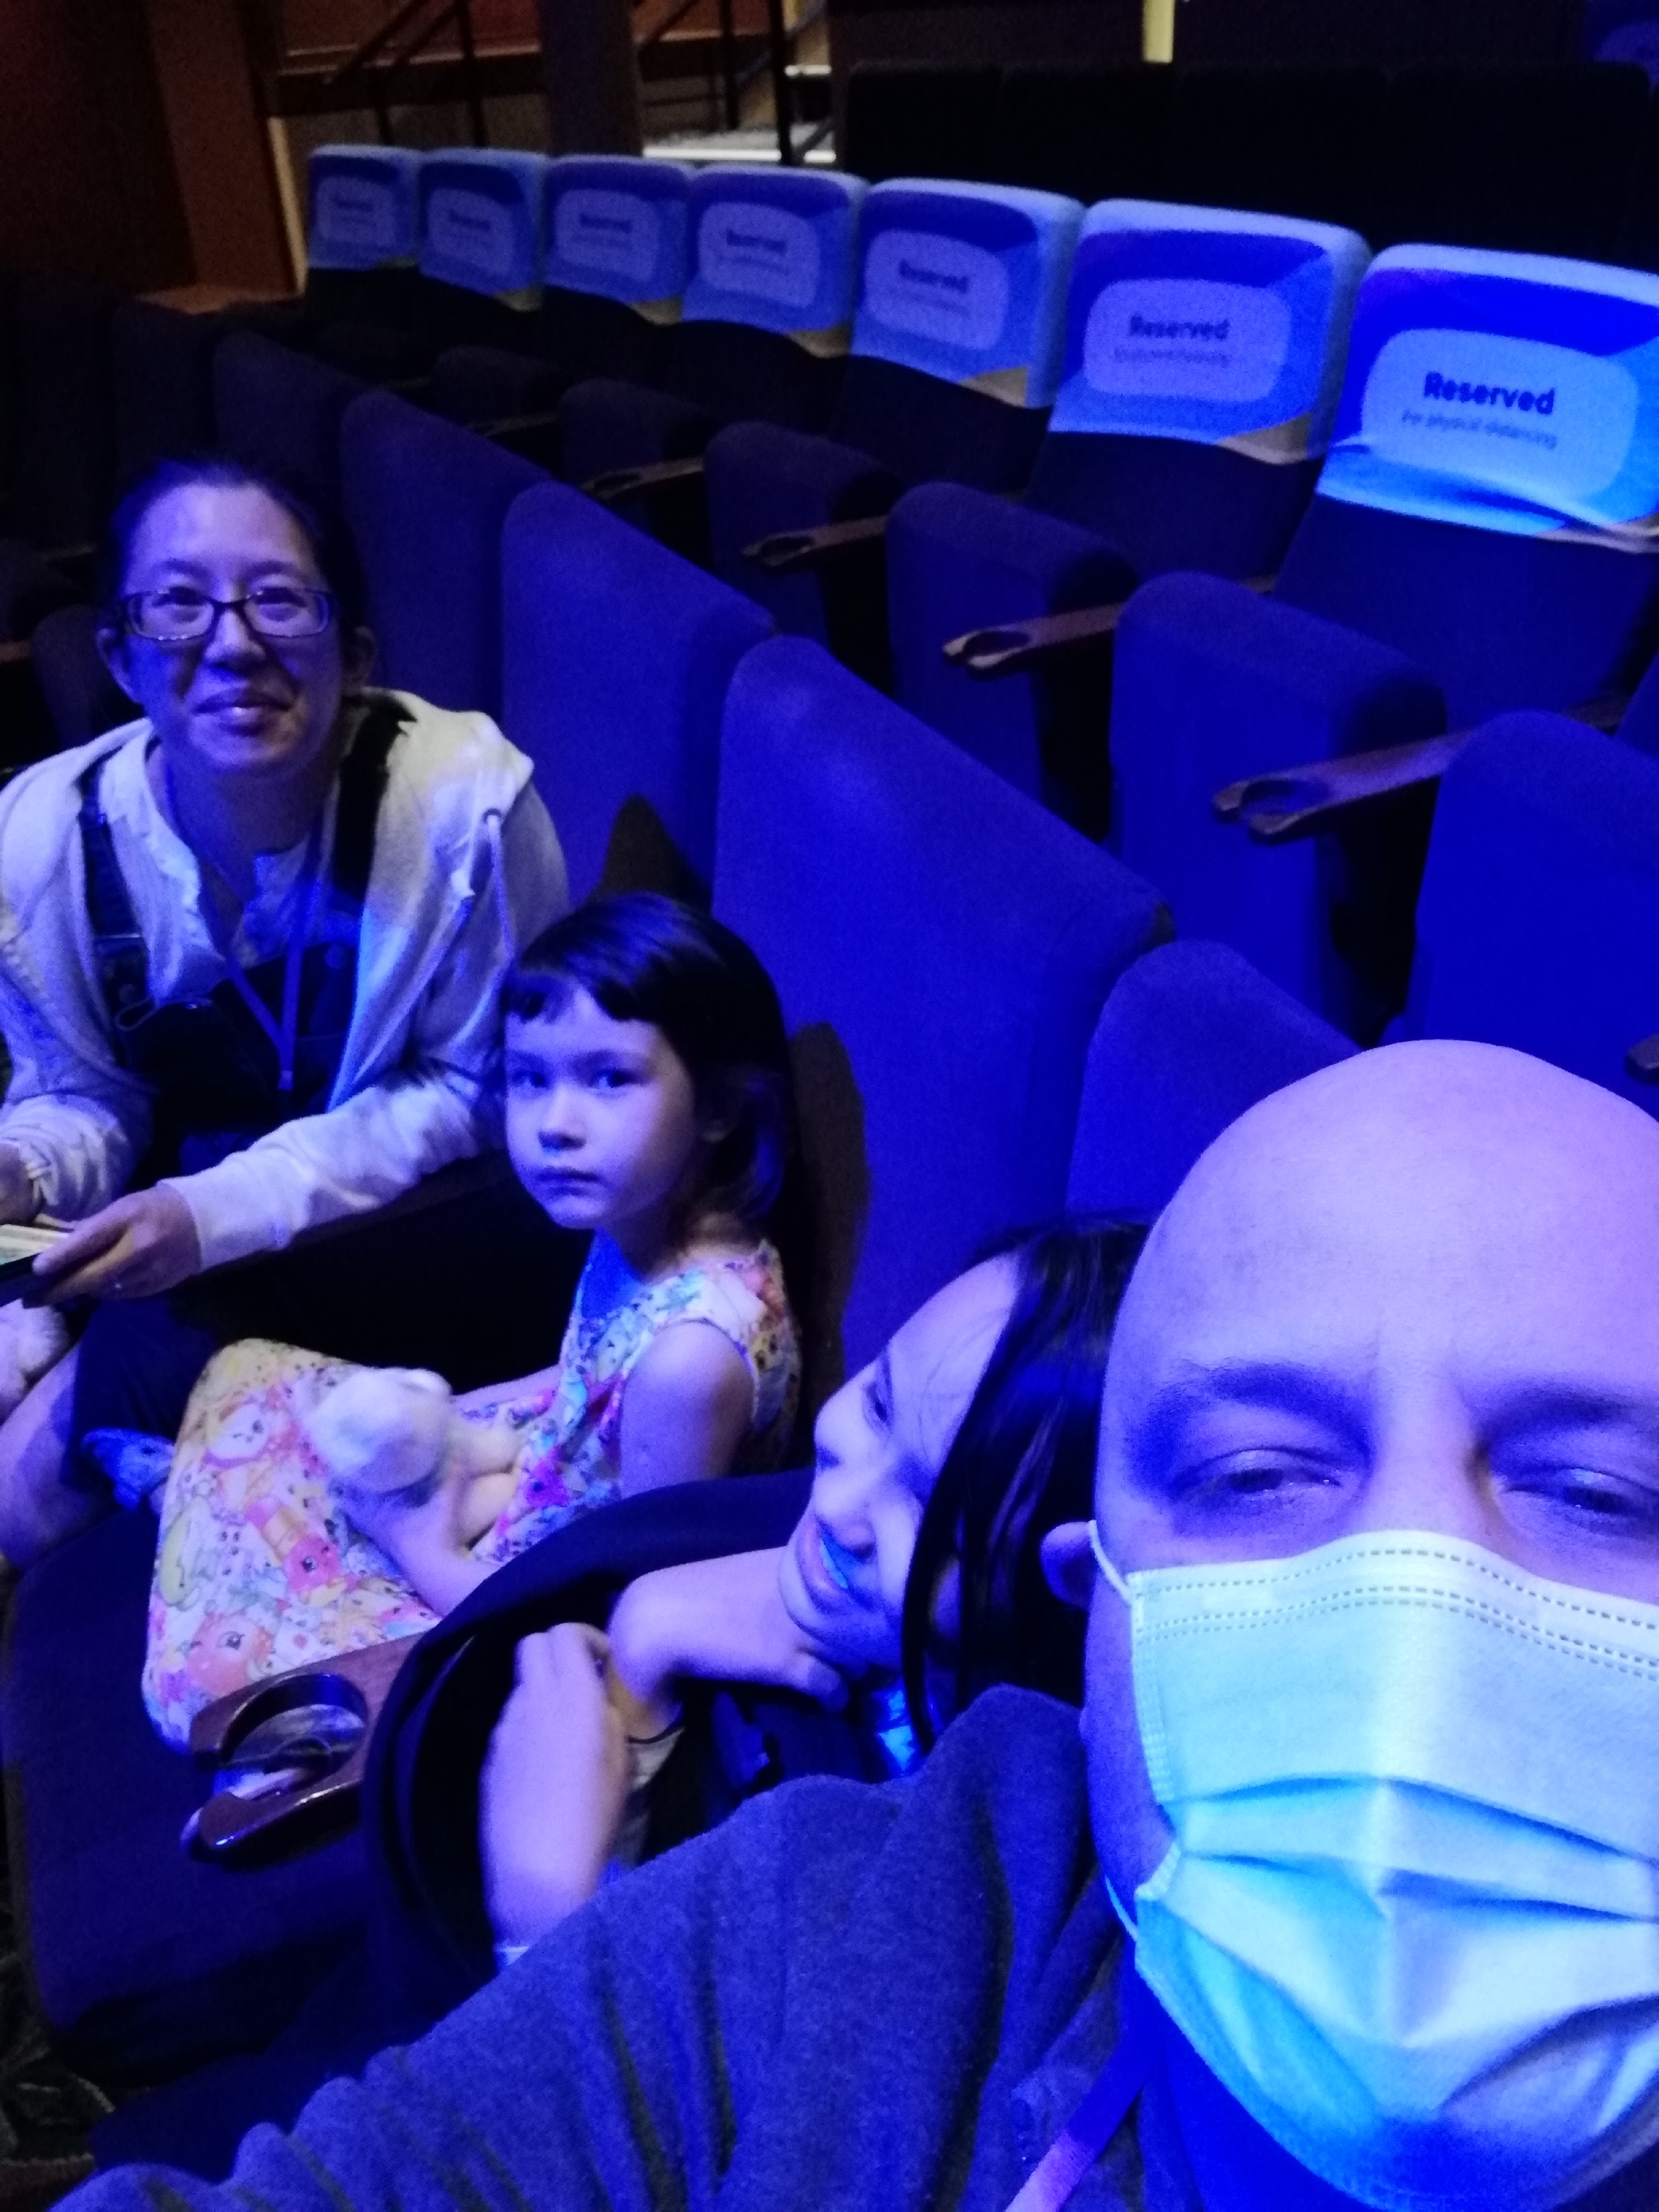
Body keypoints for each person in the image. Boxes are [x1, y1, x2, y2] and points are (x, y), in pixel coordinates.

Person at [66, 1039, 1659, 2212]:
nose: (1418, 1618)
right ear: (1100, 1602)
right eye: (1255, 1474)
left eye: (1604, 1493)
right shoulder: (848, 1924)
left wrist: (544, 1918)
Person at [0, 456, 569, 1568]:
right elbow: (88, 1093)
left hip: (405, 1223)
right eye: (177, 603)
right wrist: (28, 1169)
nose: (232, 644)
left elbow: (481, 1091)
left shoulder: (465, 811)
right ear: (118, 654)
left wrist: (216, 1212)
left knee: (25, 1491)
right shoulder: (39, 842)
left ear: (354, 654)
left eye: (277, 599)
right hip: (179, 1213)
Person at [144, 894, 804, 1742]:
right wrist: (462, 1411)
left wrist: (418, 1546)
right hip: (532, 1488)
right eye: (531, 1078)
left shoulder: (693, 1363)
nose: (556, 1125)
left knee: (213, 1676)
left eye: (610, 1078)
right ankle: (205, 1515)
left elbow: (628, 1614)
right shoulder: (640, 1222)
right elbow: (587, 1380)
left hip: (532, 1613)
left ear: (719, 1105)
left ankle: (201, 1526)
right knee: (249, 1373)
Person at [479, 1216, 1145, 1950]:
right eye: (881, 1404)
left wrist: (545, 1918)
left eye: (937, 1519)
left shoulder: (969, 1889)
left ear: (1067, 1599)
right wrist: (645, 1641)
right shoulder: (826, 1603)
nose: (836, 1505)